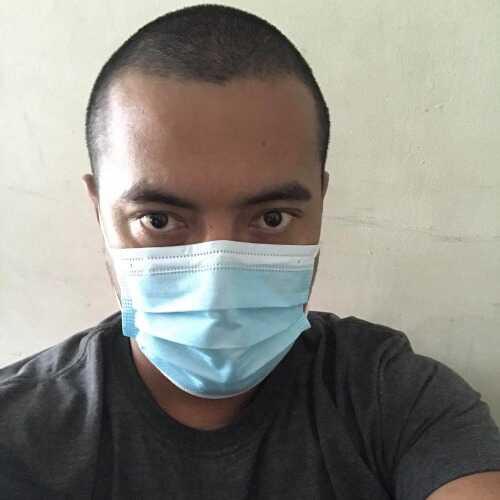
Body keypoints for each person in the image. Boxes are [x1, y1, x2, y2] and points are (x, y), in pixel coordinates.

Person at [1, 4, 500, 499]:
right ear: (99, 209)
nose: (216, 283)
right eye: (159, 220)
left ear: (320, 203)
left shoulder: (394, 396)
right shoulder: (18, 434)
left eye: (272, 218)